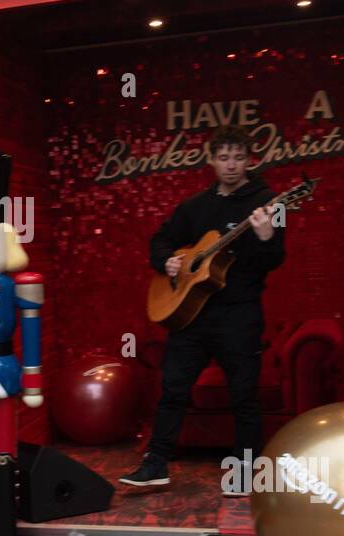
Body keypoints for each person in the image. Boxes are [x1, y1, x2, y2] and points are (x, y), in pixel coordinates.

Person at [121, 127, 285, 491]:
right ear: (211, 160)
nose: (231, 165)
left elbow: (275, 259)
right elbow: (160, 241)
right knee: (173, 390)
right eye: (223, 157)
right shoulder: (194, 206)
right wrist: (167, 262)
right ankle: (155, 463)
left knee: (243, 395)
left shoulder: (269, 203)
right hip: (190, 315)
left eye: (238, 158)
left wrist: (266, 236)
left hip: (239, 315)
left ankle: (246, 472)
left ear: (249, 160)